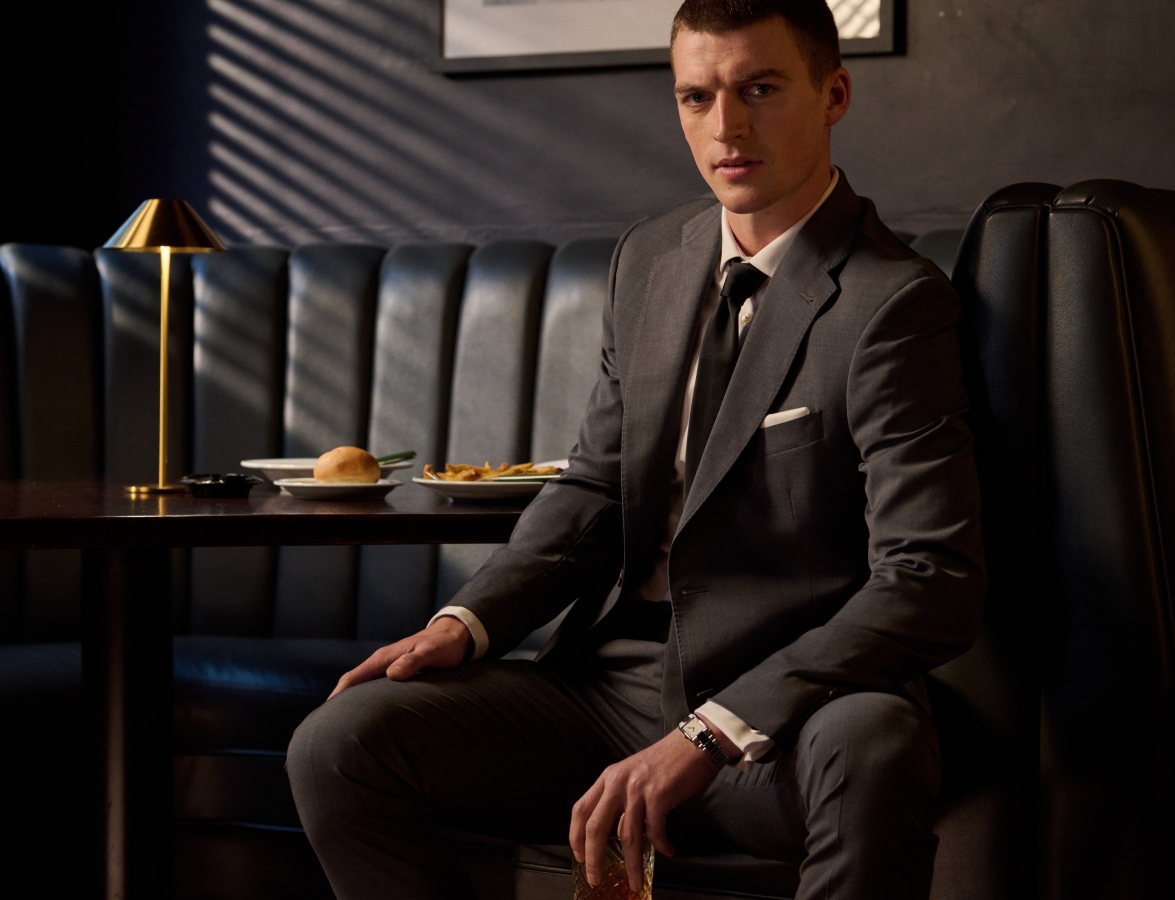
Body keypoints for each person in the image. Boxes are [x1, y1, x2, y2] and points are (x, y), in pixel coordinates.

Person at [287, 1, 985, 897]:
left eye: (760, 89)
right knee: (342, 740)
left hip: (786, 711)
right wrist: (464, 623)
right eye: (696, 97)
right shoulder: (653, 258)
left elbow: (930, 578)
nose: (724, 127)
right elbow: (597, 487)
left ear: (834, 93)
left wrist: (710, 732)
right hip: (608, 688)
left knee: (875, 744)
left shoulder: (895, 303)